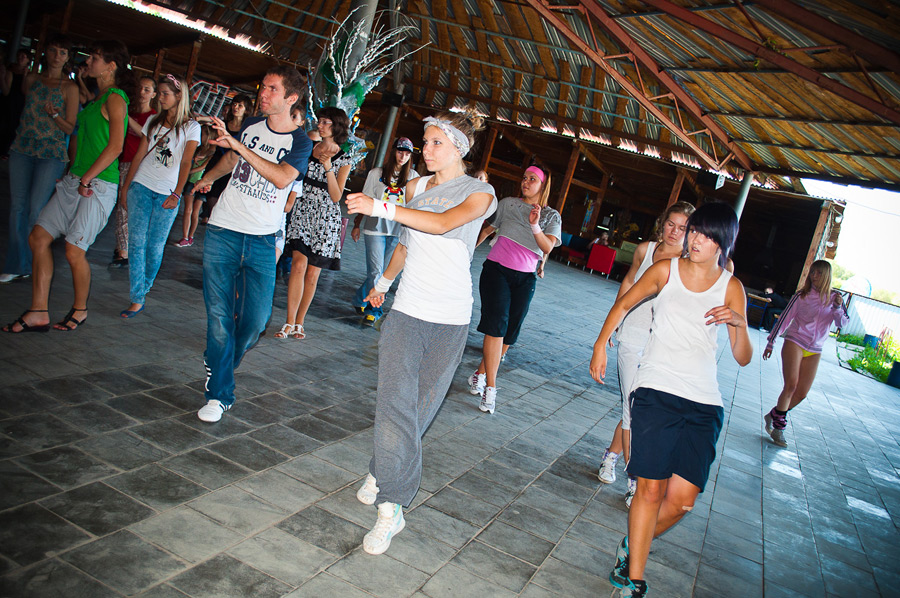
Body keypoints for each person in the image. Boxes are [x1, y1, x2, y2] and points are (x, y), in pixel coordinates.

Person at [345, 108, 496, 556]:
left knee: (419, 408)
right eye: (425, 141)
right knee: (394, 401)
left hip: (451, 318)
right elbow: (407, 245)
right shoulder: (414, 188)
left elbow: (445, 223)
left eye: (435, 143)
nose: (426, 150)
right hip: (409, 310)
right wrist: (382, 284)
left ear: (458, 148)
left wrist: (380, 206)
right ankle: (392, 508)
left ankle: (381, 469)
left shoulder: (480, 193)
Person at [589, 202, 751, 598]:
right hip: (656, 388)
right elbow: (624, 303)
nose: (695, 239)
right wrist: (600, 345)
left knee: (682, 501)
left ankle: (632, 546)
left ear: (722, 243)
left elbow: (743, 356)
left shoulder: (731, 287)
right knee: (649, 490)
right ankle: (635, 580)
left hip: (704, 400)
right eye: (694, 231)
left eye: (706, 235)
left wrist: (740, 323)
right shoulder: (666, 270)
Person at [190, 66, 311, 422]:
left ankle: (219, 361)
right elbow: (231, 158)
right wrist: (208, 178)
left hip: (262, 240)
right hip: (223, 230)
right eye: (263, 87)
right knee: (219, 316)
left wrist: (239, 145)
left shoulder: (301, 143)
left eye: (272, 89)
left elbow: (281, 178)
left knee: (256, 321)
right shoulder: (251, 126)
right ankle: (219, 395)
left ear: (291, 98)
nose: (263, 93)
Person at [2, 40, 132, 334]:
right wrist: (72, 173)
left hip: (98, 184)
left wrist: (86, 178)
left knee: (74, 251)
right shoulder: (97, 98)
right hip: (76, 179)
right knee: (38, 238)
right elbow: (79, 139)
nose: (89, 62)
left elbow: (115, 147)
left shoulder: (116, 98)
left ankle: (80, 309)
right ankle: (38, 312)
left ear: (111, 66)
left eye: (95, 57)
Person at [596, 202, 695, 507]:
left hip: (663, 344)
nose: (674, 232)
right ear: (662, 223)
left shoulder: (690, 262)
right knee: (634, 411)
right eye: (671, 224)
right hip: (633, 335)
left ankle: (612, 454)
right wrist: (613, 326)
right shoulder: (645, 250)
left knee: (641, 411)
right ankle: (635, 482)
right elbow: (628, 283)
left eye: (683, 228)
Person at [467, 165, 560, 414]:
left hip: (525, 278)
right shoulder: (507, 204)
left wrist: (535, 225)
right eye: (524, 178)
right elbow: (488, 229)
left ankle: (480, 373)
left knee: (509, 333)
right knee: (496, 325)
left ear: (543, 185)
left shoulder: (551, 216)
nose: (525, 182)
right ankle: (490, 388)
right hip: (496, 270)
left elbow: (547, 247)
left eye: (532, 179)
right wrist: (467, 251)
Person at [118, 74, 200, 318]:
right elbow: (140, 154)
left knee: (155, 246)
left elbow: (186, 162)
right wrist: (126, 186)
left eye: (165, 94)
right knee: (136, 242)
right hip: (141, 186)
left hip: (167, 192)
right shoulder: (153, 121)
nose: (160, 98)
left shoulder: (191, 126)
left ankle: (143, 288)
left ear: (179, 96)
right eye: (160, 93)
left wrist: (177, 193)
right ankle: (137, 297)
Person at [1, 36, 78, 284]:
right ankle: (17, 263)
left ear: (68, 58)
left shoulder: (70, 88)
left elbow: (70, 128)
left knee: (36, 209)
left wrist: (55, 115)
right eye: (53, 50)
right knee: (17, 207)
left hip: (50, 154)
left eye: (63, 52)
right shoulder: (31, 79)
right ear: (45, 52)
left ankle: (32, 260)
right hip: (22, 148)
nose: (57, 56)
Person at [279, 107, 353, 340]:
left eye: (325, 122)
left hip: (326, 217)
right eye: (319, 121)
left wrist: (328, 167)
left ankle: (300, 322)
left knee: (312, 273)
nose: (319, 125)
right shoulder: (309, 147)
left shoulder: (344, 159)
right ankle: (289, 321)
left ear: (336, 126)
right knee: (298, 265)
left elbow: (336, 196)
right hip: (303, 209)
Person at [763, 260, 848, 447]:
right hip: (795, 341)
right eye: (812, 272)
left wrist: (837, 307)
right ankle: (778, 429)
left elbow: (842, 324)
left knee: (801, 394)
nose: (814, 276)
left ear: (826, 275)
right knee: (791, 386)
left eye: (818, 273)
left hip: (815, 350)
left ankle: (773, 414)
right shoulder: (802, 296)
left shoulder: (836, 298)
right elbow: (785, 319)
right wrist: (771, 342)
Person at [350, 137, 417, 325]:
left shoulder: (413, 177)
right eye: (400, 151)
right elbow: (365, 199)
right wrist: (357, 224)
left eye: (407, 153)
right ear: (393, 151)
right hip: (375, 227)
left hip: (398, 230)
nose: (403, 156)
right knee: (376, 271)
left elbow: (415, 205)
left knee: (384, 273)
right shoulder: (376, 173)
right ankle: (374, 310)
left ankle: (359, 298)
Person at [110, 76, 157, 268]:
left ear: (153, 94)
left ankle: (126, 249)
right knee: (122, 205)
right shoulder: (129, 111)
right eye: (140, 88)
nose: (142, 93)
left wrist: (126, 118)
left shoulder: (153, 117)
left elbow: (146, 136)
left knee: (131, 206)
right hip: (122, 162)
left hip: (141, 166)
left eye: (147, 90)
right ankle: (123, 248)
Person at [199, 94, 252, 223]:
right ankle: (213, 219)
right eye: (234, 104)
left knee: (225, 196)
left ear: (246, 110)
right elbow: (213, 141)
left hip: (233, 165)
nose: (236, 107)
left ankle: (220, 221)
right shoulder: (225, 124)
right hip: (217, 160)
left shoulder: (247, 128)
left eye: (240, 105)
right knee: (211, 195)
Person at [174, 123, 215, 247]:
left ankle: (187, 237)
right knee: (191, 210)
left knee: (191, 211)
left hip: (197, 181)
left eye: (202, 134)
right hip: (200, 182)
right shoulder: (201, 150)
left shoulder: (209, 152)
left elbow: (203, 167)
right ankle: (188, 237)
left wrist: (187, 172)